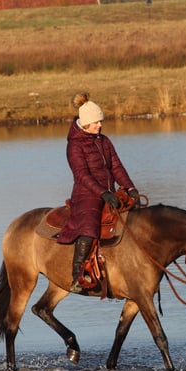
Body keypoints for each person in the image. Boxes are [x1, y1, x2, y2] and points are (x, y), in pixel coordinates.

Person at [57, 93, 140, 293]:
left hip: (109, 191)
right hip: (86, 194)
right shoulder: (74, 146)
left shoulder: (104, 141)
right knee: (88, 226)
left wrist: (130, 188)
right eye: (95, 123)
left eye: (100, 122)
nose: (99, 126)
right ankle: (78, 277)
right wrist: (103, 193)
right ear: (85, 123)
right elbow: (82, 175)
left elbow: (117, 167)